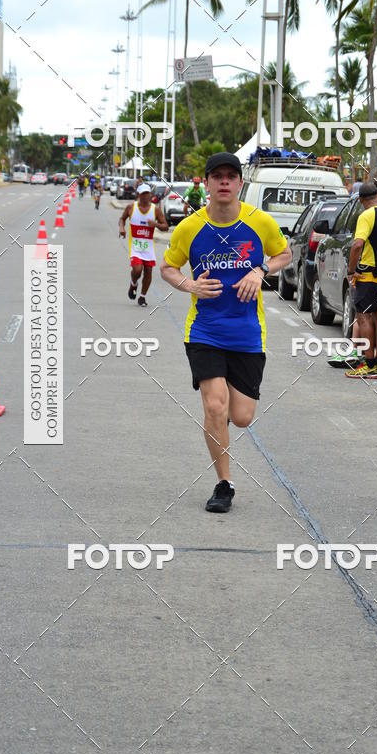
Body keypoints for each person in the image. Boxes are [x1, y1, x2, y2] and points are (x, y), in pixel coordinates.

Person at [160, 152, 291, 514]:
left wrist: (260, 270)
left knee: (243, 416)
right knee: (215, 405)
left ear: (239, 184)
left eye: (230, 176)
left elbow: (286, 254)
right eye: (216, 176)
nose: (223, 182)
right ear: (206, 183)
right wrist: (189, 285)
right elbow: (168, 268)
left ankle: (223, 428)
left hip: (248, 334)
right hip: (205, 331)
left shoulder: (260, 222)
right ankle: (224, 484)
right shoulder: (190, 227)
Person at [345, 182, 377, 379]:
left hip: (367, 275)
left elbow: (357, 244)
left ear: (360, 200)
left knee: (364, 317)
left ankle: (369, 363)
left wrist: (351, 270)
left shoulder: (365, 216)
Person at [119, 182, 168, 307]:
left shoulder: (155, 210)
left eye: (147, 193)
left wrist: (155, 224)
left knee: (148, 271)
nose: (146, 196)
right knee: (137, 269)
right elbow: (122, 219)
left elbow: (165, 227)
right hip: (135, 245)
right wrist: (122, 228)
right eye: (143, 194)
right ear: (138, 194)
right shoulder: (131, 207)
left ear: (150, 195)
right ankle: (133, 283)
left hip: (148, 246)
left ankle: (142, 297)